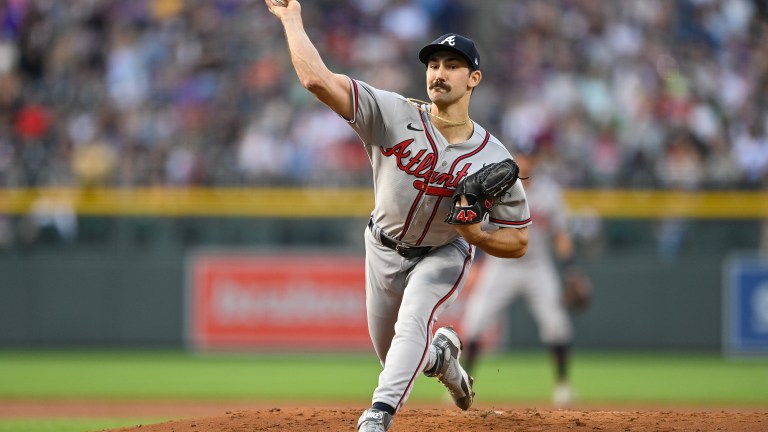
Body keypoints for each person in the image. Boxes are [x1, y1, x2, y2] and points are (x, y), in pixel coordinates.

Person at [264, 1, 531, 431]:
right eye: (434, 64)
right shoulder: (392, 113)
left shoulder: (492, 158)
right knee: (397, 354)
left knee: (413, 325)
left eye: (452, 65)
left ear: (474, 79)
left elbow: (519, 241)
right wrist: (291, 18)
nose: (439, 73)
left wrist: (477, 236)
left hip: (443, 252)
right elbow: (316, 80)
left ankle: (378, 415)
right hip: (381, 247)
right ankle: (441, 358)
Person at [459, 142, 587, 407]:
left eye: (531, 156)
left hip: (537, 266)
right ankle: (461, 387)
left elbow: (561, 235)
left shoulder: (550, 193)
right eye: (522, 156)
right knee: (474, 322)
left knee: (557, 326)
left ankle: (562, 387)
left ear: (537, 160)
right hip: (500, 265)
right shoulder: (495, 186)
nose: (526, 162)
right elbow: (476, 228)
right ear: (514, 158)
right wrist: (473, 265)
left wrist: (571, 269)